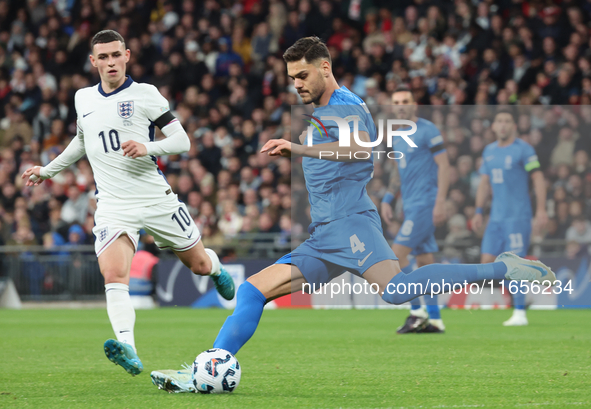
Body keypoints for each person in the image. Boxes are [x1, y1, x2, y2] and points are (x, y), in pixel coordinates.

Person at [149, 37, 555, 393]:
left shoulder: (342, 107)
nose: (297, 85)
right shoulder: (327, 109)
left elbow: (362, 150)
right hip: (324, 233)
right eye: (292, 78)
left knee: (397, 290)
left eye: (303, 75)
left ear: (325, 67)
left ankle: (503, 269)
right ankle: (208, 368)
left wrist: (299, 148)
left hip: (351, 225)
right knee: (253, 291)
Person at [21, 30, 235, 376]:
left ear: (127, 56)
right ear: (93, 62)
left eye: (115, 55)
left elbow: (182, 141)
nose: (110, 62)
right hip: (112, 204)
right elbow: (81, 141)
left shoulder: (146, 95)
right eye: (102, 57)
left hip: (154, 198)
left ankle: (215, 267)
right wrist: (48, 171)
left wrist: (147, 147)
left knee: (197, 264)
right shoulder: (83, 99)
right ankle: (129, 348)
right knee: (114, 274)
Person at [381, 86, 450, 334]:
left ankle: (416, 310)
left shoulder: (427, 130)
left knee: (395, 256)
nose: (401, 105)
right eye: (396, 101)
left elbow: (444, 166)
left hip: (425, 204)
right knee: (424, 262)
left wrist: (440, 201)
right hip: (410, 207)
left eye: (405, 101)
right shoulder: (397, 135)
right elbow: (399, 173)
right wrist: (388, 198)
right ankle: (435, 319)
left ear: (414, 104)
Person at [471, 109, 548, 326]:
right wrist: (478, 210)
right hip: (495, 218)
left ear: (514, 126)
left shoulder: (524, 149)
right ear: (493, 126)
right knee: (487, 261)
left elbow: (538, 177)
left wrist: (540, 209)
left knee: (514, 265)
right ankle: (522, 294)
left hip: (517, 217)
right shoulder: (488, 151)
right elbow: (484, 183)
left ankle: (520, 312)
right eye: (499, 121)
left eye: (507, 121)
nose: (503, 125)